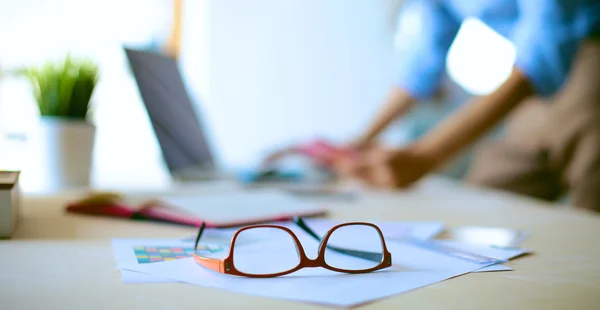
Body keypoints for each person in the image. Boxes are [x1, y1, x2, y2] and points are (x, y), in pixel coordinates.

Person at [330, 0, 600, 211]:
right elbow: (421, 68)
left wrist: (426, 155)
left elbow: (545, 52)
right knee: (489, 193)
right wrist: (359, 141)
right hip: (539, 83)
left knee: (590, 205)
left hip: (584, 59)